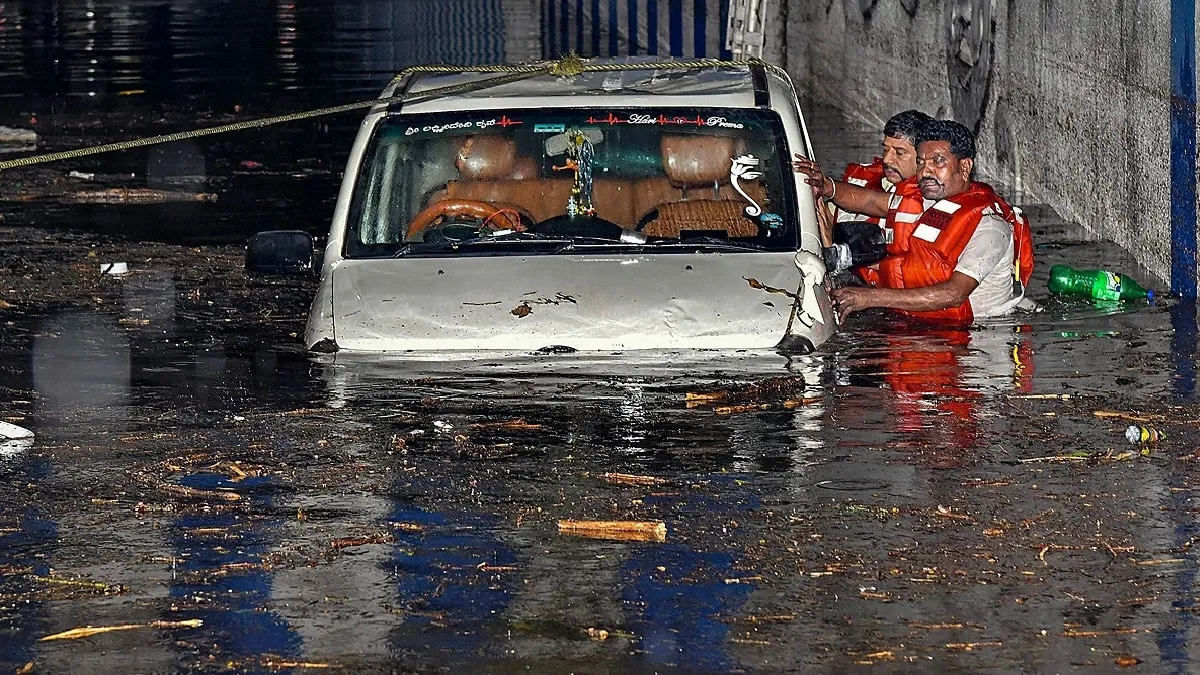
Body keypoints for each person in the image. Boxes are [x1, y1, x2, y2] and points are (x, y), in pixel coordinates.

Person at [794, 119, 1035, 323]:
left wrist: (866, 299)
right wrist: (827, 186)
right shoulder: (925, 198)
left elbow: (954, 294)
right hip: (922, 322)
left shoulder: (990, 226)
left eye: (938, 162)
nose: (925, 172)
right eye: (921, 162)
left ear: (965, 167)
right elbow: (871, 202)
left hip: (979, 334)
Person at [834, 109, 933, 226]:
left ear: (923, 156)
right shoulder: (866, 178)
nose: (886, 159)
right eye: (885, 150)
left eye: (899, 152)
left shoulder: (932, 198)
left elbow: (872, 202)